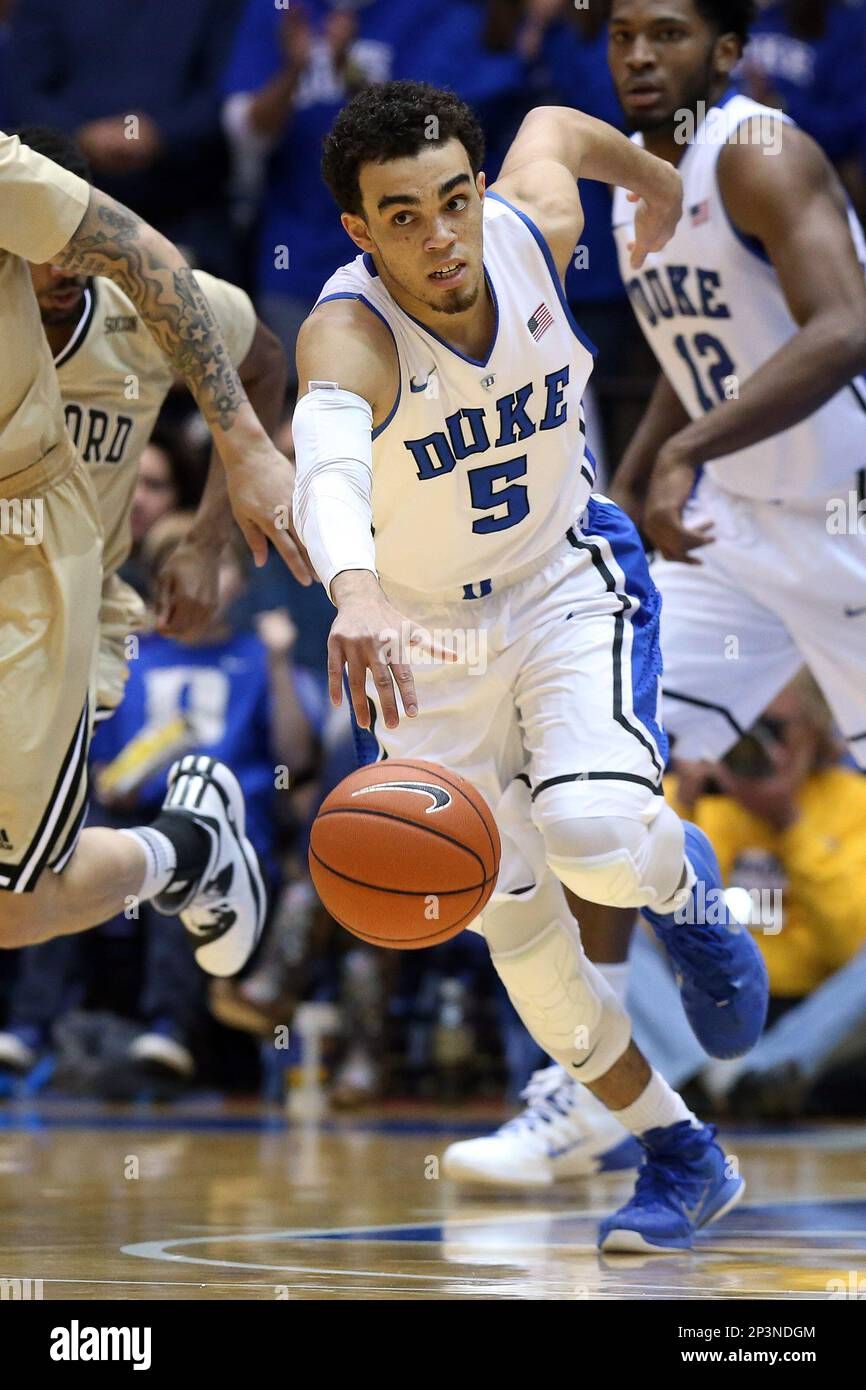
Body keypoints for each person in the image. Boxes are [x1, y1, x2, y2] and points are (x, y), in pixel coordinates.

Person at [290, 78, 769, 1251]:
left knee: (594, 843)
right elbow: (329, 465)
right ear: (358, 230)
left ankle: (684, 885)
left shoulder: (521, 226)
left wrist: (658, 185)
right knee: (513, 928)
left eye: (452, 198)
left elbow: (554, 131)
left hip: (564, 584)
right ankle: (680, 1152)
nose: (439, 233)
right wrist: (350, 591)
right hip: (417, 640)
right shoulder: (345, 334)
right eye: (400, 215)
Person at [455, 0, 866, 1184]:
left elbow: (842, 329)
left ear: (726, 51)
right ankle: (591, 1088)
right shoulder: (638, 191)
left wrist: (681, 453)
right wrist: (635, 480)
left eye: (669, 34)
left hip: (847, 518)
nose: (637, 55)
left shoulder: (755, 150)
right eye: (623, 34)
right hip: (732, 537)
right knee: (597, 780)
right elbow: (707, 366)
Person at [0, 125, 300, 975]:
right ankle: (186, 849)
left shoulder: (140, 311)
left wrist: (210, 541)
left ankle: (185, 850)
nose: (57, 270)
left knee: (16, 906)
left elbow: (264, 359)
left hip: (54, 609)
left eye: (69, 249)